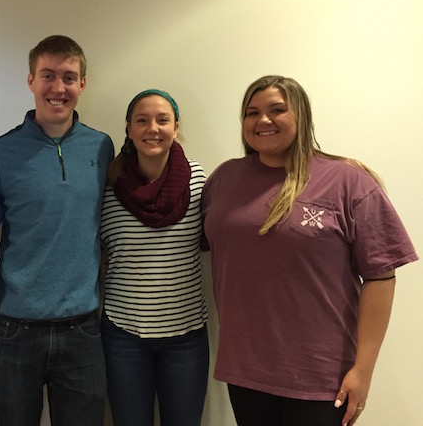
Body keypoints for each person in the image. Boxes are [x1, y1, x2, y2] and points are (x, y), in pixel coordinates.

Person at [201, 75, 418, 426]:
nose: (263, 120)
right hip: (245, 371)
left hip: (321, 377)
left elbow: (381, 276)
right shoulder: (224, 179)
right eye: (252, 112)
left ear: (301, 116)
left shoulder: (347, 181)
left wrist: (363, 371)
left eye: (277, 110)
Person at [0, 35, 114, 426]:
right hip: (16, 330)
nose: (58, 87)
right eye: (48, 75)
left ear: (83, 84)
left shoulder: (102, 148)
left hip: (83, 328)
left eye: (69, 77)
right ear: (31, 80)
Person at [100, 89, 210, 426]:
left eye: (163, 120)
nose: (153, 128)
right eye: (142, 120)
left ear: (176, 127)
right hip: (123, 337)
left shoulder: (199, 182)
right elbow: (98, 252)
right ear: (129, 129)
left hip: (186, 339)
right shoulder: (107, 185)